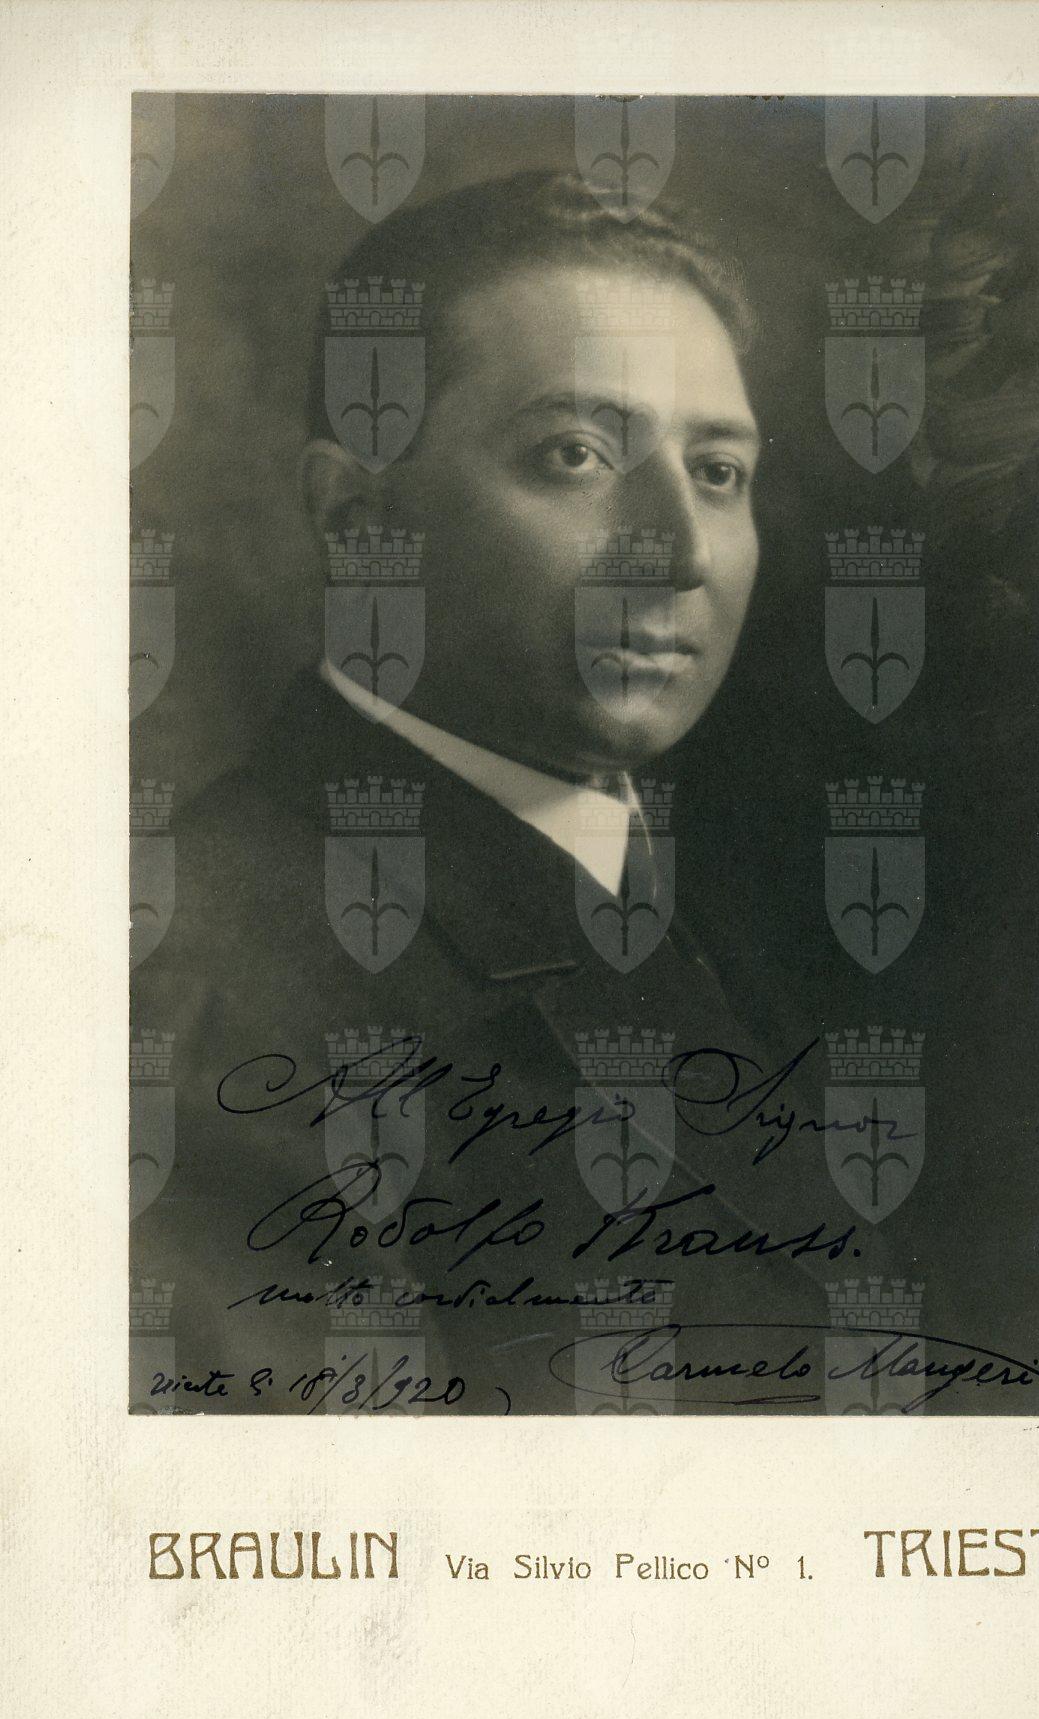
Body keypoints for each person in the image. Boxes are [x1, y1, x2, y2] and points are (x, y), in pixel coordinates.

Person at [130, 171, 891, 1415]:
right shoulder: (201, 994)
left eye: (717, 471)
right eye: (574, 455)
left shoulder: (728, 902)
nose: (679, 552)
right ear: (360, 517)